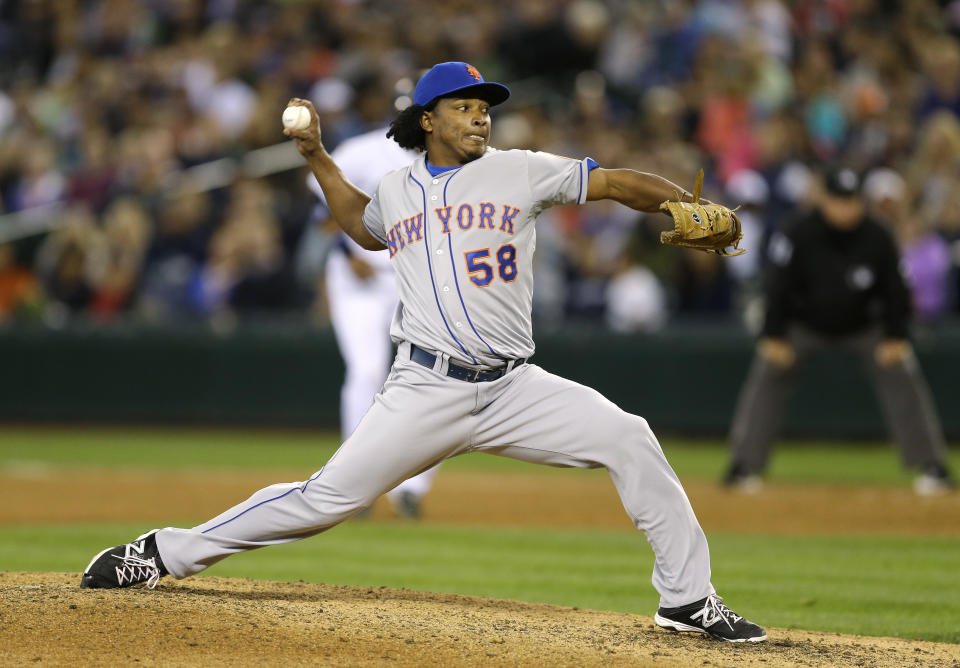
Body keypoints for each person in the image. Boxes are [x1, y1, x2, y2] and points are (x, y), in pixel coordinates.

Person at [80, 62, 766, 643]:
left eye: (484, 108)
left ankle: (686, 598)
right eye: (463, 108)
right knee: (324, 500)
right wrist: (317, 156)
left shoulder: (522, 171)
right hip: (425, 388)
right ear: (428, 120)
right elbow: (362, 227)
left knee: (630, 437)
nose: (479, 118)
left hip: (513, 389)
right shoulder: (398, 189)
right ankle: (162, 551)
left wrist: (683, 205)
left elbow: (613, 181)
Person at [724, 167, 956, 496]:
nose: (845, 208)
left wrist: (896, 335)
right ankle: (743, 465)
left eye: (851, 201)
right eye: (838, 200)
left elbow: (896, 289)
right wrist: (773, 334)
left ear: (861, 202)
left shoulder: (878, 234)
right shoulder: (799, 231)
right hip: (804, 324)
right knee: (769, 371)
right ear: (825, 200)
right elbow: (778, 285)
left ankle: (932, 466)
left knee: (902, 370)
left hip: (863, 325)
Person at [308, 125, 440, 519]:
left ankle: (412, 489)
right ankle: (354, 483)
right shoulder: (363, 149)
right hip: (359, 276)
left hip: (419, 278)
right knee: (366, 372)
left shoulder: (460, 156)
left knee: (435, 378)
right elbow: (322, 207)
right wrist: (344, 253)